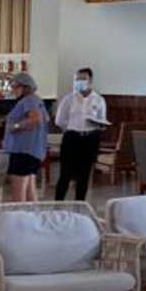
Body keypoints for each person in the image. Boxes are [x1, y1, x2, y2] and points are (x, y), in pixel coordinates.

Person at [54, 67, 108, 202]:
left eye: (83, 79)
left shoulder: (98, 99)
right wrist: (72, 128)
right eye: (77, 79)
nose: (80, 81)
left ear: (90, 81)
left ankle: (79, 205)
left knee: (84, 175)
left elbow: (102, 119)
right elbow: (59, 120)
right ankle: (58, 205)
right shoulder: (69, 99)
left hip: (90, 139)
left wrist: (99, 125)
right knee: (65, 174)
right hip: (72, 138)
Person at [2, 71, 48, 202]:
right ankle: (33, 213)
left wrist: (15, 126)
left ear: (24, 86)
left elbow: (35, 119)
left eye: (15, 87)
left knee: (18, 190)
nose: (12, 90)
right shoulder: (35, 100)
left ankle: (19, 213)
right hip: (31, 151)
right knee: (29, 189)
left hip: (23, 151)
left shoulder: (29, 100)